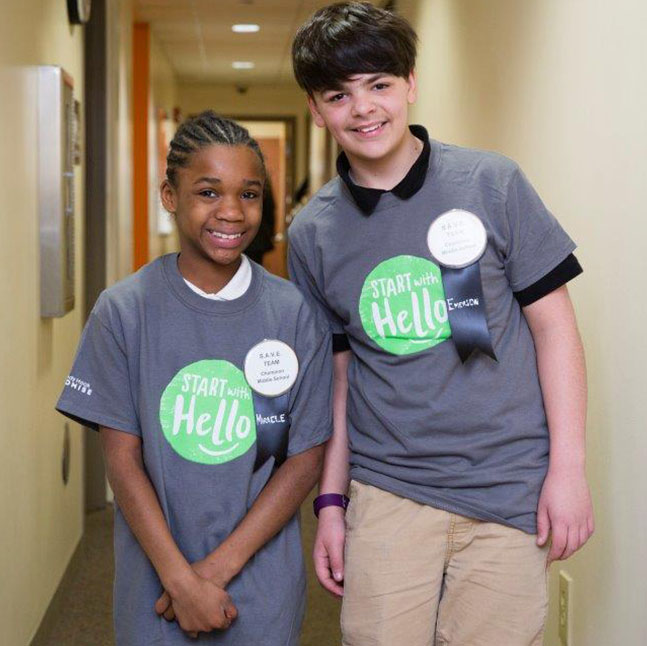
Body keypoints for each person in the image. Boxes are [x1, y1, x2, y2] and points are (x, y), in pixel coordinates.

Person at [288, 3, 594, 645]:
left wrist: (568, 472)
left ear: (410, 86)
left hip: (508, 488)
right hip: (387, 492)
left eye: (380, 84)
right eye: (339, 95)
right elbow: (338, 383)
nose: (364, 109)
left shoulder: (492, 183)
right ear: (316, 110)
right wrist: (332, 504)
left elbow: (555, 329)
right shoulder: (313, 233)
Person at [56, 112, 332, 646]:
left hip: (259, 582)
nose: (231, 211)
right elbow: (121, 459)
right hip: (155, 583)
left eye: (249, 194)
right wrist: (179, 579)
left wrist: (210, 575)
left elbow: (305, 458)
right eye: (208, 191)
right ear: (170, 196)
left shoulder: (292, 312)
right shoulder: (124, 311)